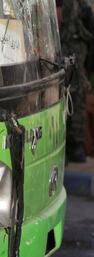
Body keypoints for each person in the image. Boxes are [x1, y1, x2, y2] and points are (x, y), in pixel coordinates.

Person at [57, 0, 93, 162]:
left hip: (78, 55)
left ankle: (76, 145)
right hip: (62, 54)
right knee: (60, 98)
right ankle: (62, 147)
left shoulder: (82, 6)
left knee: (77, 100)